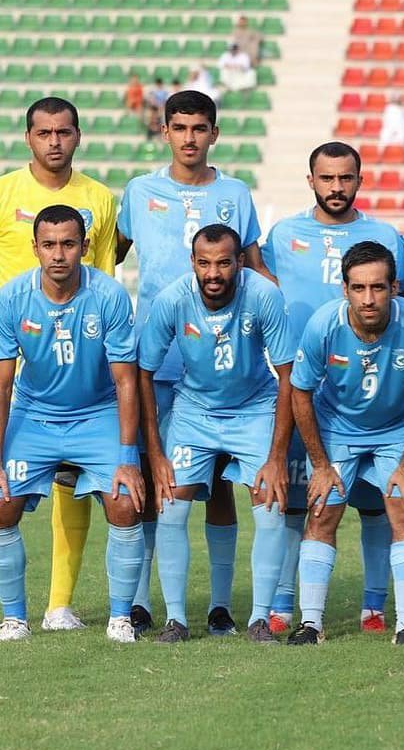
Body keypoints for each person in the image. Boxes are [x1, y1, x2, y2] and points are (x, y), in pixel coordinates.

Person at [117, 89, 272, 638]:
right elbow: (108, 256)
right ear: (164, 131)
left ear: (214, 134)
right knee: (156, 480)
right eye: (179, 127)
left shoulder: (234, 193)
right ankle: (140, 603)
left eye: (198, 128)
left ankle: (220, 607)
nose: (189, 138)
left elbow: (253, 266)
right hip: (159, 362)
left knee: (222, 484)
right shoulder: (140, 191)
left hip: (223, 365)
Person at [261, 142, 404, 635]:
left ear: (359, 180)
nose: (336, 187)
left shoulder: (383, 235)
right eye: (326, 178)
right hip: (306, 389)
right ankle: (285, 604)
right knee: (302, 502)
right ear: (311, 180)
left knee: (379, 505)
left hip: (376, 388)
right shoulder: (284, 234)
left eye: (345, 178)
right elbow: (258, 281)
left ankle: (376, 606)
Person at [138, 224, 293, 644]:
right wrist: (156, 453)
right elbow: (144, 372)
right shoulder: (172, 299)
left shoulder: (264, 295)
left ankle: (259, 620)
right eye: (204, 263)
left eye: (224, 263)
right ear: (192, 262)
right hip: (195, 412)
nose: (213, 273)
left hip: (254, 408)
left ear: (240, 261)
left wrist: (277, 457)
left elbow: (288, 375)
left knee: (271, 502)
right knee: (171, 505)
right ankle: (176, 620)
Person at [0, 205, 145, 643]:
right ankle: (14, 618)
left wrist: (127, 458)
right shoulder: (12, 298)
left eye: (68, 244)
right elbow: (2, 385)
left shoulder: (109, 296)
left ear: (84, 246)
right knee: (1, 504)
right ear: (35, 248)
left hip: (97, 413)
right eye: (49, 245)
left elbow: (126, 382)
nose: (58, 254)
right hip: (34, 415)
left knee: (125, 502)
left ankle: (120, 618)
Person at [0, 97, 117, 632]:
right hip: (15, 347)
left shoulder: (99, 198)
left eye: (63, 132)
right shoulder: (5, 192)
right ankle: (14, 610)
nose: (54, 141)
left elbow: (103, 273)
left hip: (74, 355)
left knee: (73, 478)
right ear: (28, 137)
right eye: (44, 133)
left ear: (78, 136)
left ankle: (59, 604)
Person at [289, 241, 404, 646]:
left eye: (377, 287)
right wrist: (321, 465)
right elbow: (300, 393)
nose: (368, 299)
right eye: (358, 288)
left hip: (396, 428)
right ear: (345, 289)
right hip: (338, 428)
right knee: (322, 512)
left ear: (394, 287)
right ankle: (311, 625)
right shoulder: (324, 325)